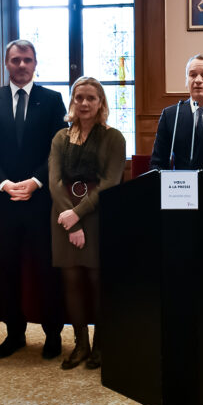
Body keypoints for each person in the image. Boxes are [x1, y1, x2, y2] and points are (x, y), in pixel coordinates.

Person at [0, 39, 67, 361]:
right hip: (3, 201)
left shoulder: (52, 100)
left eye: (27, 59)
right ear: (7, 63)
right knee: (7, 269)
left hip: (41, 201)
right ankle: (14, 333)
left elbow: (59, 148)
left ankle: (53, 334)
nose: (22, 65)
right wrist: (3, 183)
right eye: (16, 60)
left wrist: (35, 181)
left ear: (35, 63)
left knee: (46, 269)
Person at [48, 77, 126, 370]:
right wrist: (70, 220)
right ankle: (80, 345)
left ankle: (101, 346)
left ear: (101, 102)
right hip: (62, 215)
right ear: (72, 101)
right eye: (79, 97)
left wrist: (78, 215)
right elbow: (54, 182)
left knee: (97, 282)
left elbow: (110, 182)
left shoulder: (113, 138)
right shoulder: (60, 137)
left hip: (98, 215)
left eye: (91, 98)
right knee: (71, 281)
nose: (84, 103)